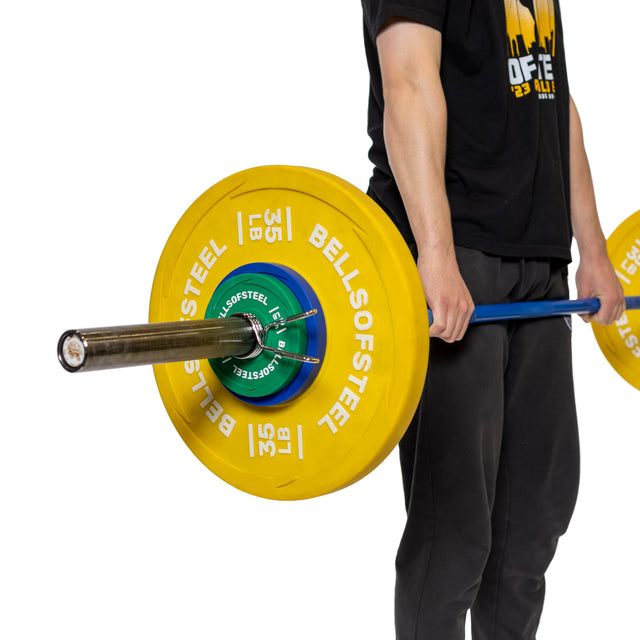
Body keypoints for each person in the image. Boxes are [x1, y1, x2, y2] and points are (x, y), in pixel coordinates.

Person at [360, 1, 626, 638]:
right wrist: (435, 255)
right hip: (457, 254)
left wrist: (593, 250)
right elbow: (408, 81)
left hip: (538, 256)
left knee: (533, 519)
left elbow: (552, 94)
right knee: (455, 532)